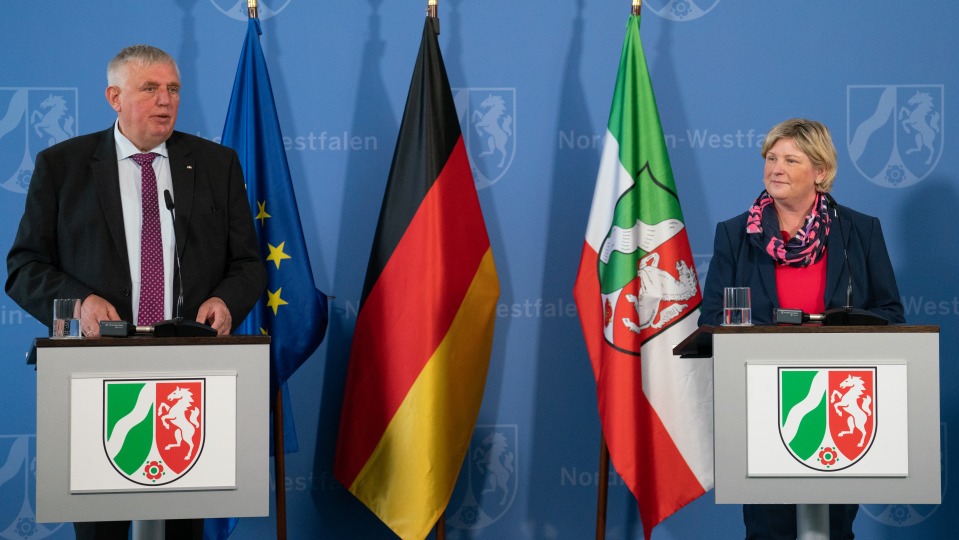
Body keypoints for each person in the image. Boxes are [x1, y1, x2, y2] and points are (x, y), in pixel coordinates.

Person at [6, 45, 266, 540]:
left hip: (189, 380)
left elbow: (248, 265)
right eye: (150, 89)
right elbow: (24, 266)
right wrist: (79, 303)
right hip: (95, 378)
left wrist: (226, 301)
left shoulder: (215, 164)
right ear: (114, 97)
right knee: (102, 529)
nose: (165, 100)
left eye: (173, 89)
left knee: (184, 528)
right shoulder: (62, 166)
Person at [698, 118, 905, 539]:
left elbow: (890, 312)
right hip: (760, 400)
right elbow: (711, 318)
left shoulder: (859, 232)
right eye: (771, 158)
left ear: (820, 172)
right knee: (767, 527)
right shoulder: (735, 235)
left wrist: (842, 325)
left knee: (834, 527)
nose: (775, 168)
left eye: (791, 160)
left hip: (840, 402)